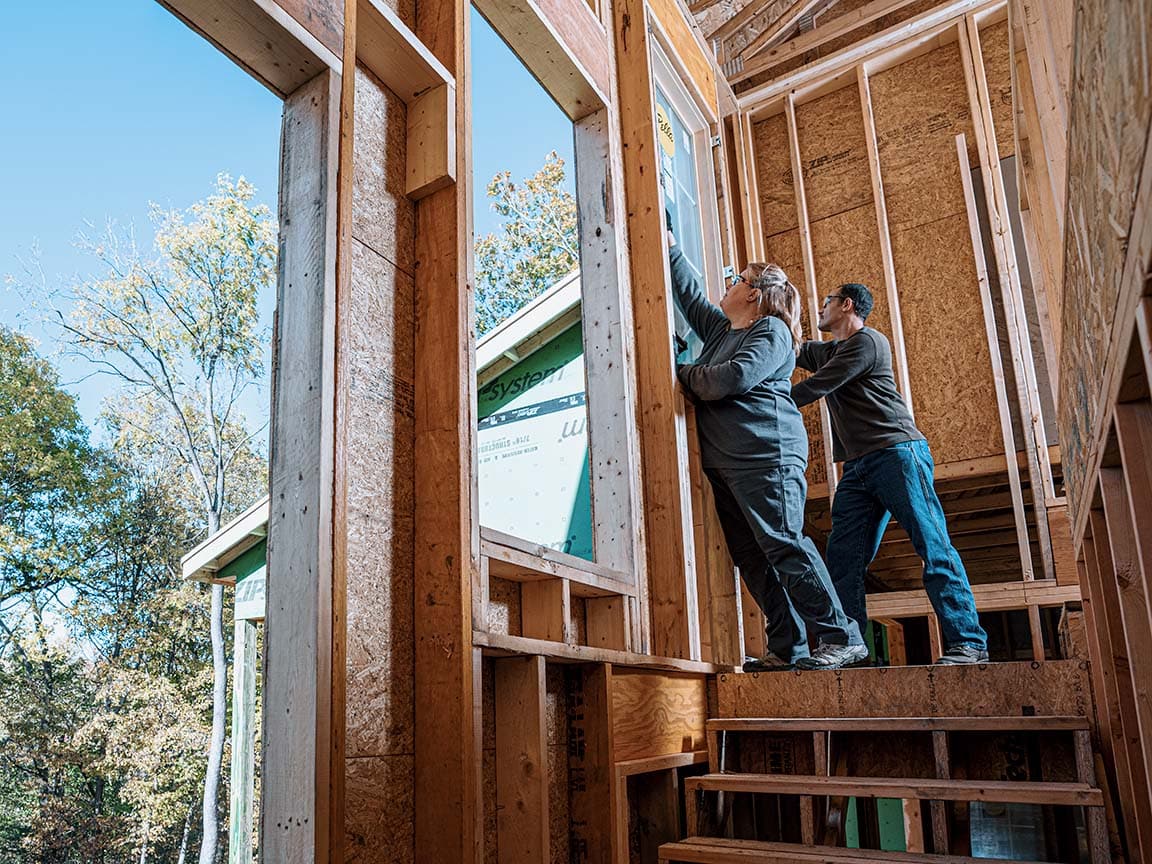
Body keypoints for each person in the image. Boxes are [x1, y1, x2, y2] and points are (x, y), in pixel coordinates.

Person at [668, 232, 867, 671]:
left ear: (753, 293)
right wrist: (670, 247)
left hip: (766, 455)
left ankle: (842, 636)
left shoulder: (772, 331)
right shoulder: (724, 330)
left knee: (784, 544)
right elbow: (690, 296)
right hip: (728, 461)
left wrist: (680, 371)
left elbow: (731, 379)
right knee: (754, 559)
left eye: (734, 279)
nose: (727, 285)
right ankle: (789, 647)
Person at [791, 282, 989, 665]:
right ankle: (849, 645)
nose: (820, 308)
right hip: (858, 467)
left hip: (897, 454)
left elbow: (818, 385)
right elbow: (792, 349)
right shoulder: (829, 350)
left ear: (846, 306)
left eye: (827, 302)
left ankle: (969, 643)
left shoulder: (868, 343)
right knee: (843, 559)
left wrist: (764, 400)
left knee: (932, 546)